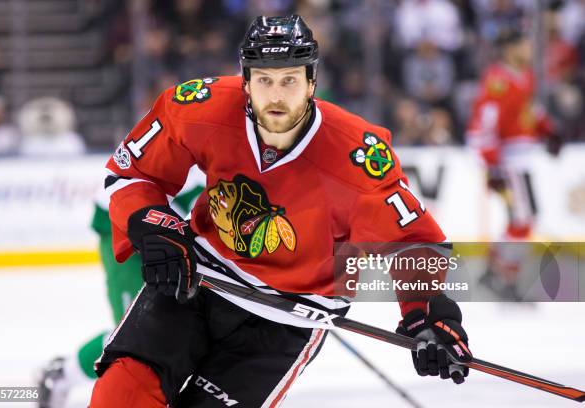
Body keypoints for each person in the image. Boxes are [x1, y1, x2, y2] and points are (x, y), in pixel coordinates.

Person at [90, 15, 472, 407]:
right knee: (121, 394)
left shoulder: (355, 155)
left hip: (287, 320)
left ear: (311, 82)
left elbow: (414, 241)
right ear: (245, 81)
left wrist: (428, 312)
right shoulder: (200, 107)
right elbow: (132, 173)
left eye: (289, 80)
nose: (276, 96)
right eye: (264, 80)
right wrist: (153, 225)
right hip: (197, 282)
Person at [36, 168, 205, 408]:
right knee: (133, 334)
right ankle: (63, 374)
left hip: (169, 244)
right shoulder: (207, 153)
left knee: (168, 330)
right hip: (125, 235)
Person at [467, 29, 562, 300]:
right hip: (508, 161)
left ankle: (494, 270)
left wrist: (547, 129)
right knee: (523, 220)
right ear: (510, 49)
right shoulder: (498, 81)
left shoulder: (524, 77)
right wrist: (491, 165)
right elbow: (483, 124)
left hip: (520, 158)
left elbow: (529, 110)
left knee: (523, 218)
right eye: (524, 44)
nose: (530, 49)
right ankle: (503, 276)